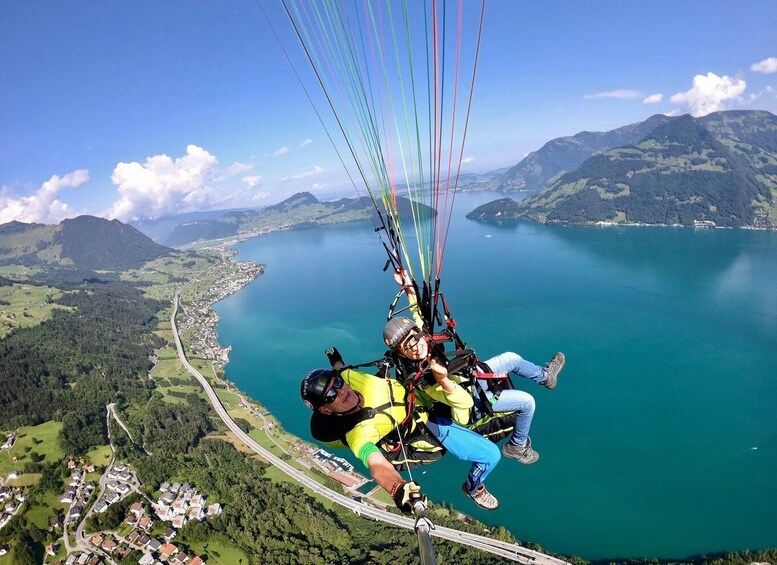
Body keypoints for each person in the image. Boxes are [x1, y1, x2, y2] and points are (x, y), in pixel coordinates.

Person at [383, 270, 565, 465]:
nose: (416, 344)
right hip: (474, 402)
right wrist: (443, 380)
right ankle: (517, 446)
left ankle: (545, 377)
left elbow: (419, 315)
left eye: (415, 337)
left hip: (471, 377)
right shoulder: (422, 378)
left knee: (511, 358)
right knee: (527, 402)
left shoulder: (422, 342)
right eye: (407, 345)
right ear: (401, 353)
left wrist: (409, 288)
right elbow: (464, 404)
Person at [300, 366, 503, 510]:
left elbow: (341, 370)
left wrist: (336, 362)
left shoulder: (350, 377)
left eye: (338, 383)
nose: (341, 391)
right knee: (491, 455)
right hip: (428, 421)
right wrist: (398, 489)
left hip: (426, 397)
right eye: (331, 396)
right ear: (326, 410)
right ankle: (473, 488)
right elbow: (376, 463)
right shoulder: (358, 433)